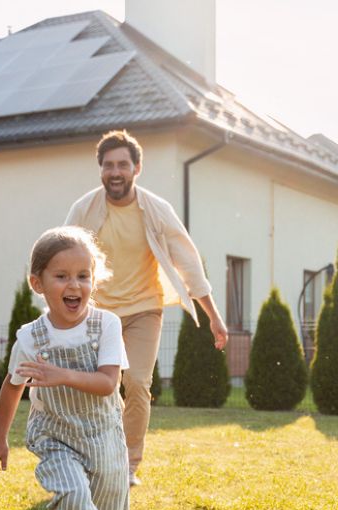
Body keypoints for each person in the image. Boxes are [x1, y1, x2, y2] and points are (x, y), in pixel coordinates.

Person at [65, 130, 228, 487]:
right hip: (96, 314)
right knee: (96, 389)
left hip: (144, 309)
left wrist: (213, 316)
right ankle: (92, 456)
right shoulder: (84, 209)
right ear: (100, 170)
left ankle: (127, 466)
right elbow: (61, 257)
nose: (115, 171)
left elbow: (189, 263)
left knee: (137, 382)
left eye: (123, 164)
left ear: (137, 168)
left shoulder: (157, 210)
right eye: (108, 165)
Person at [0, 226, 130, 510]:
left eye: (83, 275)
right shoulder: (31, 338)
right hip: (56, 435)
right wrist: (1, 442)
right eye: (62, 275)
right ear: (38, 282)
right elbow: (13, 387)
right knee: (74, 493)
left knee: (111, 506)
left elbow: (107, 383)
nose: (75, 285)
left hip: (103, 432)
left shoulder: (107, 326)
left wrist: (60, 375)